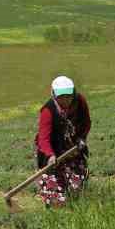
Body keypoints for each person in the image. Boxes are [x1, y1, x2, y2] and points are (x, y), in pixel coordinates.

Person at [35, 76, 91, 207]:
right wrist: (50, 155)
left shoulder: (80, 101)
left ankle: (75, 207)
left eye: (68, 96)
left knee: (76, 188)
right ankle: (55, 206)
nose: (66, 100)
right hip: (51, 149)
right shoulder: (48, 111)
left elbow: (86, 122)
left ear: (73, 93)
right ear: (54, 95)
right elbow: (43, 139)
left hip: (73, 146)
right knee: (55, 192)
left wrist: (81, 138)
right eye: (61, 96)